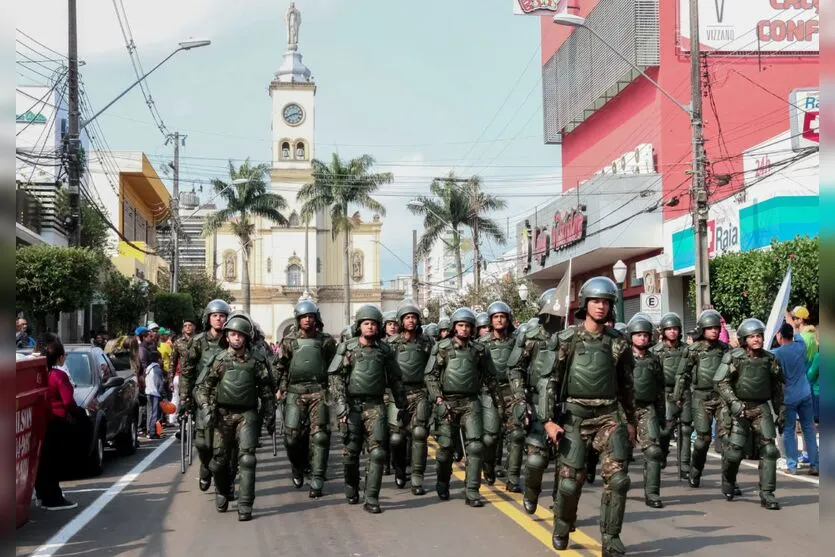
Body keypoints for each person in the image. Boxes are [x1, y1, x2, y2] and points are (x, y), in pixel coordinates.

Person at [547, 277, 636, 557]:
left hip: (609, 415)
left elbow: (627, 385)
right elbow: (549, 382)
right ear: (585, 304)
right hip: (575, 415)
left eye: (606, 302)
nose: (601, 306)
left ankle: (610, 538)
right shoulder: (566, 340)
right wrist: (548, 420)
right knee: (571, 481)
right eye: (596, 301)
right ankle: (563, 524)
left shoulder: (618, 343)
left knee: (619, 479)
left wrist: (631, 421)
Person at [328, 305, 405, 513]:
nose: (370, 327)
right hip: (352, 406)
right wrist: (341, 405)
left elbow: (395, 378)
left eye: (373, 324)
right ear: (359, 326)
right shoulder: (348, 348)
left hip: (376, 405)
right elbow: (335, 377)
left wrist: (401, 403)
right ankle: (352, 486)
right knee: (350, 453)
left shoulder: (384, 350)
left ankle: (371, 497)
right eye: (366, 323)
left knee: (378, 452)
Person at [199, 313, 275, 521]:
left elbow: (266, 391)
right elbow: (203, 388)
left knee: (248, 459)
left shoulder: (256, 362)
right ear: (227, 337)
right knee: (219, 461)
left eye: (241, 335)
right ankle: (223, 490)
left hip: (247, 414)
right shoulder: (219, 360)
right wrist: (205, 406)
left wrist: (269, 414)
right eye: (233, 334)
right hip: (222, 415)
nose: (237, 338)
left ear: (247, 337)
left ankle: (245, 504)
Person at [425, 307, 503, 508]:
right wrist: (439, 400)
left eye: (468, 326)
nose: (465, 329)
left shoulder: (479, 350)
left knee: (475, 446)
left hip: (471, 402)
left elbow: (490, 377)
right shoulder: (442, 348)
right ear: (453, 327)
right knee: (445, 449)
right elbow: (430, 376)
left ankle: (472, 490)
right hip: (448, 403)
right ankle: (442, 482)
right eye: (461, 325)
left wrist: (498, 403)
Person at [715, 318, 784, 509]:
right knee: (735, 452)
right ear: (744, 339)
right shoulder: (735, 357)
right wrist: (734, 403)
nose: (757, 339)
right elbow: (720, 382)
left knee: (769, 450)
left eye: (759, 336)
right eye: (752, 336)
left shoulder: (770, 359)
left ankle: (767, 493)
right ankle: (728, 480)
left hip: (761, 407)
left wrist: (781, 410)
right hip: (740, 408)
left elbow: (777, 386)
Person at [274, 300, 337, 497]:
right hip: (295, 392)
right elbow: (281, 368)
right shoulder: (289, 341)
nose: (307, 320)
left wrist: (333, 390)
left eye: (310, 316)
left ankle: (317, 477)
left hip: (319, 391)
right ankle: (297, 466)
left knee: (320, 436)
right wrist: (279, 389)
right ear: (298, 319)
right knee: (292, 438)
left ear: (316, 318)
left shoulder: (326, 341)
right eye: (303, 317)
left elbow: (334, 368)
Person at [507, 289, 562, 512]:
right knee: (536, 460)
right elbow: (515, 368)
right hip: (538, 402)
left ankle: (562, 505)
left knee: (568, 463)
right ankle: (531, 493)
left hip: (568, 403)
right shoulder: (530, 336)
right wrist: (521, 399)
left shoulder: (573, 335)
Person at [179, 299, 232, 492]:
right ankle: (205, 467)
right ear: (208, 318)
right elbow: (187, 371)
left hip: (227, 397)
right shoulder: (198, 341)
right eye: (215, 316)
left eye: (222, 316)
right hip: (203, 398)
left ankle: (223, 482)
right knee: (203, 444)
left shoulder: (231, 339)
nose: (219, 319)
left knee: (224, 444)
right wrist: (184, 398)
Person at [675, 309, 729, 488]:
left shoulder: (725, 349)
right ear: (702, 329)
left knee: (728, 439)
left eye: (716, 327)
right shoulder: (693, 350)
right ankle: (695, 470)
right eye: (710, 328)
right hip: (700, 398)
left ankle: (729, 480)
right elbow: (682, 374)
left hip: (721, 398)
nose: (714, 330)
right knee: (703, 440)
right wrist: (678, 396)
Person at [387, 304, 434, 495]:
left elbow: (434, 368)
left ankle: (417, 478)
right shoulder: (391, 344)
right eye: (407, 318)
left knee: (420, 434)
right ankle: (399, 468)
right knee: (397, 438)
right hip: (397, 393)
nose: (411, 321)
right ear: (401, 321)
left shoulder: (427, 342)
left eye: (414, 317)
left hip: (420, 392)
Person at [479, 301, 522, 491]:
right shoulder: (481, 344)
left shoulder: (516, 341)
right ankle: (488, 467)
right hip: (489, 392)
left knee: (517, 435)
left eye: (502, 316)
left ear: (508, 319)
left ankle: (513, 479)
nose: (499, 320)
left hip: (512, 391)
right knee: (490, 437)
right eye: (496, 317)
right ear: (490, 320)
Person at [34, 334, 79, 510]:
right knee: (53, 462)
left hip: (38, 421)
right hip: (57, 421)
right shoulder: (58, 375)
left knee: (41, 461)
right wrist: (76, 414)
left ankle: (41, 495)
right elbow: (68, 401)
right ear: (58, 357)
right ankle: (53, 498)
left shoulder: (37, 374)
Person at [628, 316, 665, 508]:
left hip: (647, 408)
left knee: (653, 450)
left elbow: (659, 388)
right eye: (638, 335)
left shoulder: (654, 359)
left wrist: (661, 415)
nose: (642, 338)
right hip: (625, 409)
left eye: (645, 335)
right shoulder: (622, 357)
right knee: (620, 452)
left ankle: (652, 493)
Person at [772, 322, 818, 476]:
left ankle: (792, 465)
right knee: (808, 429)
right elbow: (798, 336)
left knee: (789, 431)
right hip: (805, 393)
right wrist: (791, 323)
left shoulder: (777, 353)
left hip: (788, 397)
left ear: (780, 336)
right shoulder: (800, 347)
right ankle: (815, 464)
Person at [652, 312, 690, 479]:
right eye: (669, 329)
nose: (672, 332)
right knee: (666, 430)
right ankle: (663, 452)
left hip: (685, 392)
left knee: (686, 429)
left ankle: (684, 466)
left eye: (675, 329)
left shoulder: (686, 350)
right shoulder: (656, 351)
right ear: (663, 331)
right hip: (665, 393)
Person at [171, 319, 197, 428]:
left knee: (197, 400)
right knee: (183, 401)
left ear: (194, 327)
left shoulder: (199, 340)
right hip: (184, 377)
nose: (187, 327)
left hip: (197, 375)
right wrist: (170, 379)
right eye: (185, 325)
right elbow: (173, 362)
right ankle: (181, 425)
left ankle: (196, 425)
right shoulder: (178, 342)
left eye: (190, 325)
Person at [144, 351, 164, 439]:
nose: (162, 360)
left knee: (150, 412)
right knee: (154, 413)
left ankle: (149, 430)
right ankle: (152, 432)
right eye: (161, 359)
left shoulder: (149, 368)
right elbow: (159, 383)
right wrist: (162, 395)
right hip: (154, 393)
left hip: (148, 392)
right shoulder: (157, 369)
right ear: (158, 359)